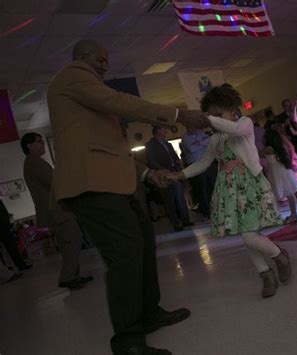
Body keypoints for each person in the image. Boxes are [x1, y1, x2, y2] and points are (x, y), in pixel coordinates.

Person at [47, 39, 206, 355]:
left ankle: (149, 314)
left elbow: (111, 149)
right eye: (100, 59)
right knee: (125, 254)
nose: (105, 65)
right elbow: (120, 102)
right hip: (91, 186)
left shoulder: (87, 99)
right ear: (82, 57)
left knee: (143, 244)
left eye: (107, 60)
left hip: (111, 183)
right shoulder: (73, 75)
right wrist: (179, 115)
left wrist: (147, 174)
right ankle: (128, 342)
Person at [165, 85, 292, 299]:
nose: (213, 121)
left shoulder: (244, 124)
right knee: (247, 235)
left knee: (250, 236)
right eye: (210, 116)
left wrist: (207, 119)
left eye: (217, 115)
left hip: (250, 186)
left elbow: (236, 130)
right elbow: (203, 162)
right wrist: (179, 175)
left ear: (232, 110)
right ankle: (266, 274)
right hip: (230, 190)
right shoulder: (215, 139)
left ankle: (279, 256)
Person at [21, 132, 91, 290]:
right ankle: (68, 277)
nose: (42, 144)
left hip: (55, 210)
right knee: (72, 241)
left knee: (68, 243)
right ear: (29, 146)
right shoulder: (34, 162)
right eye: (38, 142)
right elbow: (54, 181)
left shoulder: (33, 162)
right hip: (57, 211)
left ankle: (72, 275)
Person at [146, 126, 193, 231]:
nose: (166, 131)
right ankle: (176, 223)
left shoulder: (168, 144)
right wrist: (162, 170)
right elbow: (151, 161)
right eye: (163, 129)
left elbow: (174, 157)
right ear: (157, 131)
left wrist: (178, 162)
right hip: (163, 175)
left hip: (174, 172)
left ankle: (185, 220)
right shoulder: (150, 145)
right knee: (169, 200)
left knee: (180, 197)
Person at [264, 129, 297, 224]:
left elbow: (258, 154)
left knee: (274, 196)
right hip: (285, 171)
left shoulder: (268, 149)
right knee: (290, 194)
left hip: (275, 173)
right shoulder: (280, 148)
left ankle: (276, 217)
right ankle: (294, 214)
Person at [181, 127, 217, 219]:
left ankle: (217, 208)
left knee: (213, 186)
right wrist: (202, 142)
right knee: (202, 189)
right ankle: (207, 212)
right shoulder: (185, 137)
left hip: (208, 163)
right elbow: (192, 149)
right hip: (196, 165)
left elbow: (209, 141)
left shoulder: (201, 132)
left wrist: (199, 143)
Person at [0, 198, 31, 271]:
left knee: (13, 248)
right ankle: (16, 266)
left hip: (5, 228)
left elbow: (5, 213)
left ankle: (20, 265)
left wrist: (9, 224)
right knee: (11, 249)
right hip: (4, 227)